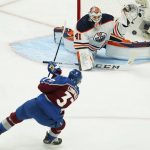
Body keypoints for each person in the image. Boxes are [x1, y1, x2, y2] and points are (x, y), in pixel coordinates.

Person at [0, 61, 82, 145]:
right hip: (48, 116)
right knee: (61, 124)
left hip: (34, 105)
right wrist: (56, 76)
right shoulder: (77, 92)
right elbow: (59, 92)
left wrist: (54, 74)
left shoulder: (63, 80)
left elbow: (42, 86)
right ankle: (50, 139)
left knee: (14, 117)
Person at [74, 5, 139, 70]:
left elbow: (119, 33)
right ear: (90, 16)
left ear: (101, 15)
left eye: (98, 17)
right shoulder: (82, 25)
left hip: (105, 40)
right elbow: (81, 46)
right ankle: (91, 54)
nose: (96, 19)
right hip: (90, 46)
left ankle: (127, 48)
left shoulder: (108, 19)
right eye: (94, 17)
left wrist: (125, 22)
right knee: (86, 65)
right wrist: (85, 59)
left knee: (120, 39)